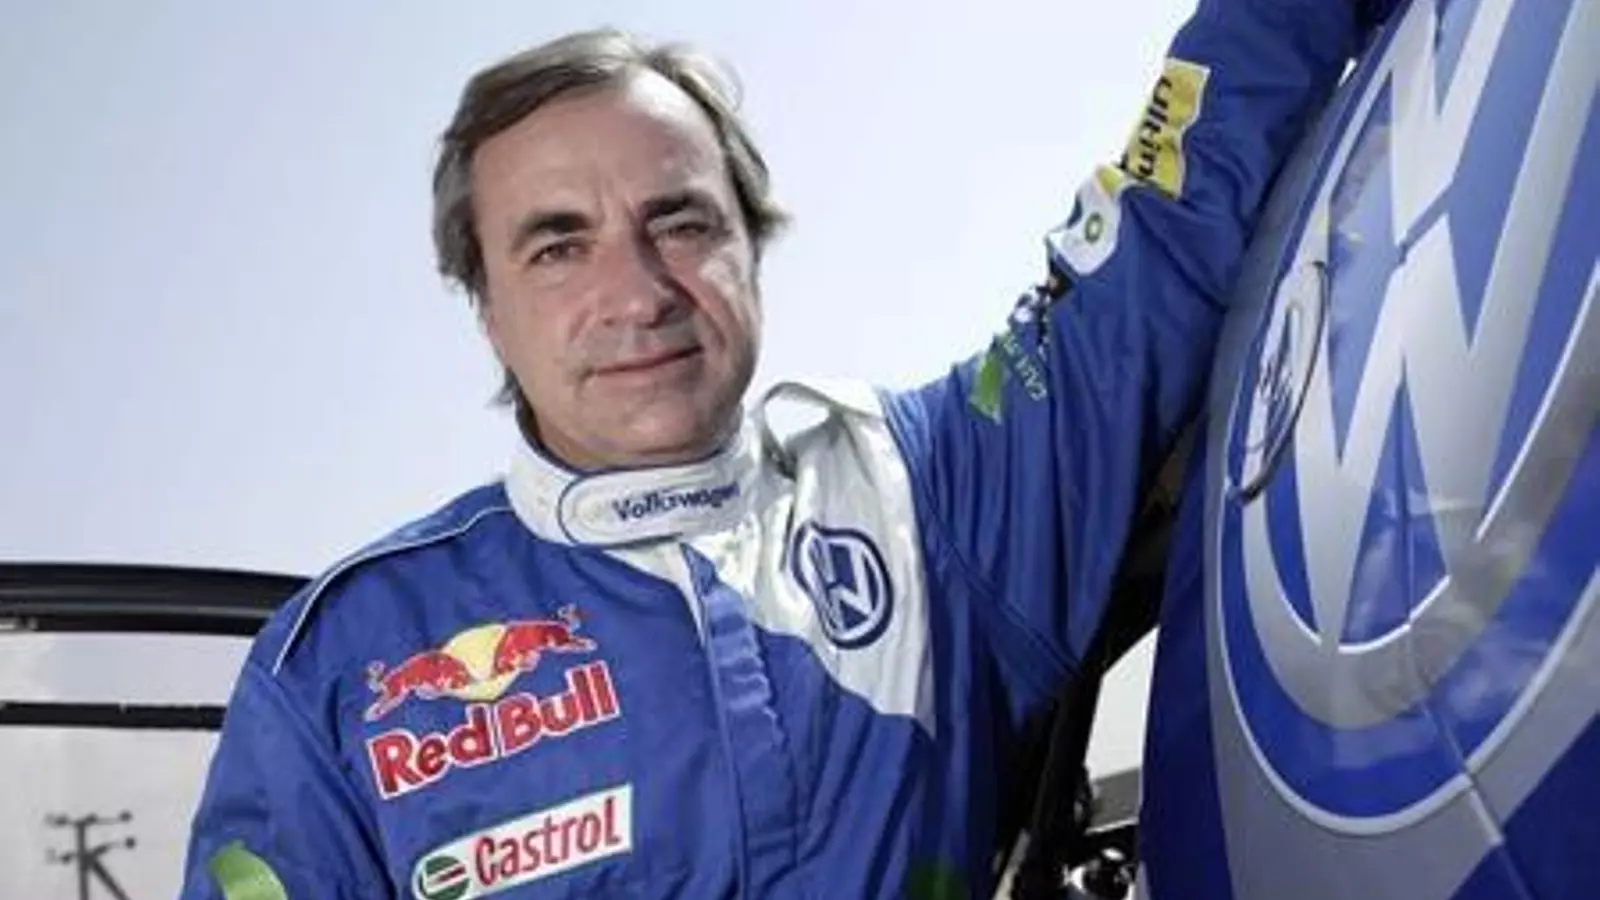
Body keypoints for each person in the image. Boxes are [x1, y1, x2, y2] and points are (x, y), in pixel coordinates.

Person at [181, 1, 1394, 897]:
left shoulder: (929, 491)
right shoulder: (338, 664)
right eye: (557, 246)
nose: (637, 293)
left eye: (679, 223)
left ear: (751, 246)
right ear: (485, 308)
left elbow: (1165, 220)